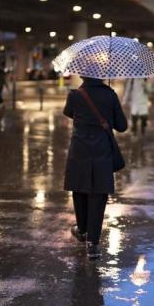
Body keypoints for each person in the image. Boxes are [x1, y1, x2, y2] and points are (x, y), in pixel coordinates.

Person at [63, 77, 128, 260]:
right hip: (102, 150)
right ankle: (93, 243)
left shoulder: (75, 95)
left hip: (79, 149)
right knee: (98, 194)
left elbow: (68, 112)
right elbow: (122, 126)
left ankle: (82, 230)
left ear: (83, 75)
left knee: (79, 189)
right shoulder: (110, 95)